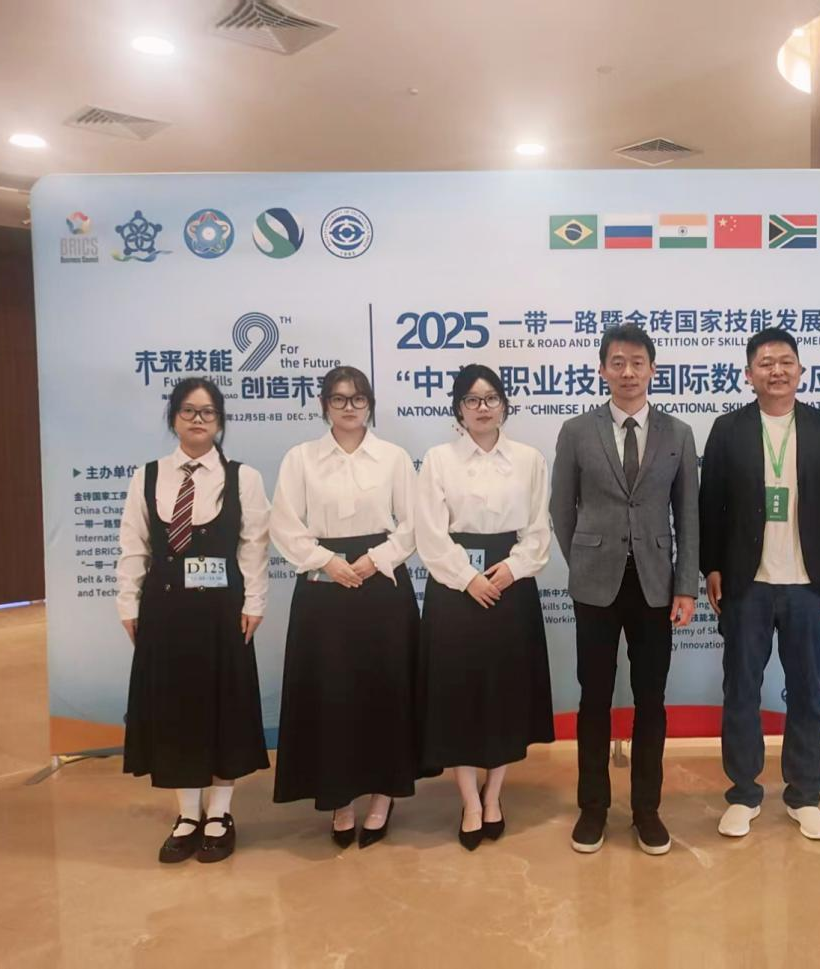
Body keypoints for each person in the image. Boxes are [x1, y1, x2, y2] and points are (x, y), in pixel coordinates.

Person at [700, 327, 820, 842]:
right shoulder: (728, 429)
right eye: (765, 363)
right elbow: (710, 505)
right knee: (741, 690)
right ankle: (743, 793)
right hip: (746, 584)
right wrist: (711, 567)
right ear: (749, 374)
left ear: (800, 370)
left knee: (808, 690)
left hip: (808, 585)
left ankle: (804, 794)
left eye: (786, 361)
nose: (777, 371)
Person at [550, 324, 699, 856]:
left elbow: (688, 514)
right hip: (595, 584)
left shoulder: (678, 433)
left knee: (650, 700)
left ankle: (646, 810)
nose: (628, 372)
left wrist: (686, 585)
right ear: (602, 369)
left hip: (656, 584)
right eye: (617, 362)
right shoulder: (576, 431)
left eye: (638, 363)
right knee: (593, 697)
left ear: (653, 369)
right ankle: (592, 807)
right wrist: (585, 559)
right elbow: (560, 507)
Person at [117, 377, 271, 864]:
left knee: (224, 709)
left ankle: (220, 813)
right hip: (165, 611)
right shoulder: (147, 477)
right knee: (176, 709)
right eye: (188, 410)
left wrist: (255, 602)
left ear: (220, 421)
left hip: (224, 611)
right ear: (173, 418)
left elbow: (254, 546)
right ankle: (187, 814)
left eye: (208, 412)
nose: (198, 419)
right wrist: (128, 605)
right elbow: (133, 546)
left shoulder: (243, 478)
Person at [269, 366, 423, 848]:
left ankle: (383, 795)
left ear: (370, 404)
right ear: (324, 406)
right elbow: (284, 524)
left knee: (384, 690)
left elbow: (415, 523)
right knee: (332, 694)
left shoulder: (393, 457)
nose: (349, 407)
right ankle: (339, 798)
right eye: (339, 399)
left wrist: (376, 560)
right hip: (324, 586)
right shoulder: (301, 458)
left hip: (382, 586)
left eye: (358, 399)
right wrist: (326, 561)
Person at [415, 365, 555, 850]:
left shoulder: (528, 459)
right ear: (458, 409)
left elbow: (538, 529)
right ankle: (469, 802)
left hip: (509, 581)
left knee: (503, 695)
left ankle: (493, 796)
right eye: (472, 400)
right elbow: (430, 532)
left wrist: (513, 568)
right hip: (455, 586)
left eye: (491, 398)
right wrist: (466, 578)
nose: (482, 407)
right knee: (458, 695)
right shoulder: (439, 460)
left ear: (504, 404)